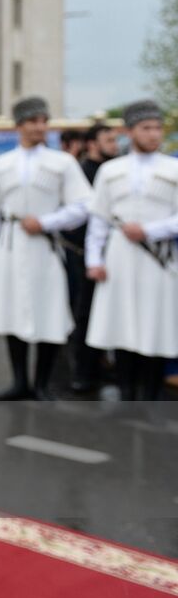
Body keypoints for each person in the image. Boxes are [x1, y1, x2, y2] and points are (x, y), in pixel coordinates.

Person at [0, 96, 92, 400]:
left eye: (44, 120)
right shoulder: (0, 164)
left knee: (49, 311)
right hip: (10, 246)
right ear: (19, 126)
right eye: (33, 121)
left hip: (44, 247)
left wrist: (47, 222)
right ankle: (18, 382)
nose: (40, 126)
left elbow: (83, 205)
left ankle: (41, 384)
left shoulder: (62, 163)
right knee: (12, 310)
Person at [84, 100, 178, 400]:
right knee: (121, 320)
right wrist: (94, 260)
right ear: (130, 132)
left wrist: (150, 230)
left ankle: (151, 394)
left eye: (157, 128)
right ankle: (126, 392)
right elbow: (98, 218)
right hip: (120, 256)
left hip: (158, 257)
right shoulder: (111, 170)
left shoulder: (174, 168)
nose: (153, 134)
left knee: (156, 322)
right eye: (146, 128)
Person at [70, 121, 119, 389]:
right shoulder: (82, 172)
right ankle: (84, 372)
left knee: (113, 312)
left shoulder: (116, 170)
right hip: (85, 254)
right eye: (109, 140)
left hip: (118, 254)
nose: (115, 145)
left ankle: (108, 366)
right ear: (92, 144)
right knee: (86, 313)